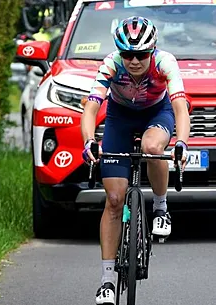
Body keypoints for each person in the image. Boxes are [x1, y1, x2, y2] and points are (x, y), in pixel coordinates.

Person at [79, 16, 190, 305]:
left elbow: (180, 106)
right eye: (128, 54)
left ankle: (161, 208)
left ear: (152, 50)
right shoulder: (111, 64)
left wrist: (181, 142)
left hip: (157, 112)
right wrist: (89, 140)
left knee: (154, 147)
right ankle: (106, 283)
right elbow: (91, 108)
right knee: (114, 201)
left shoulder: (165, 62)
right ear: (120, 52)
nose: (135, 61)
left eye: (141, 54)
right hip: (120, 117)